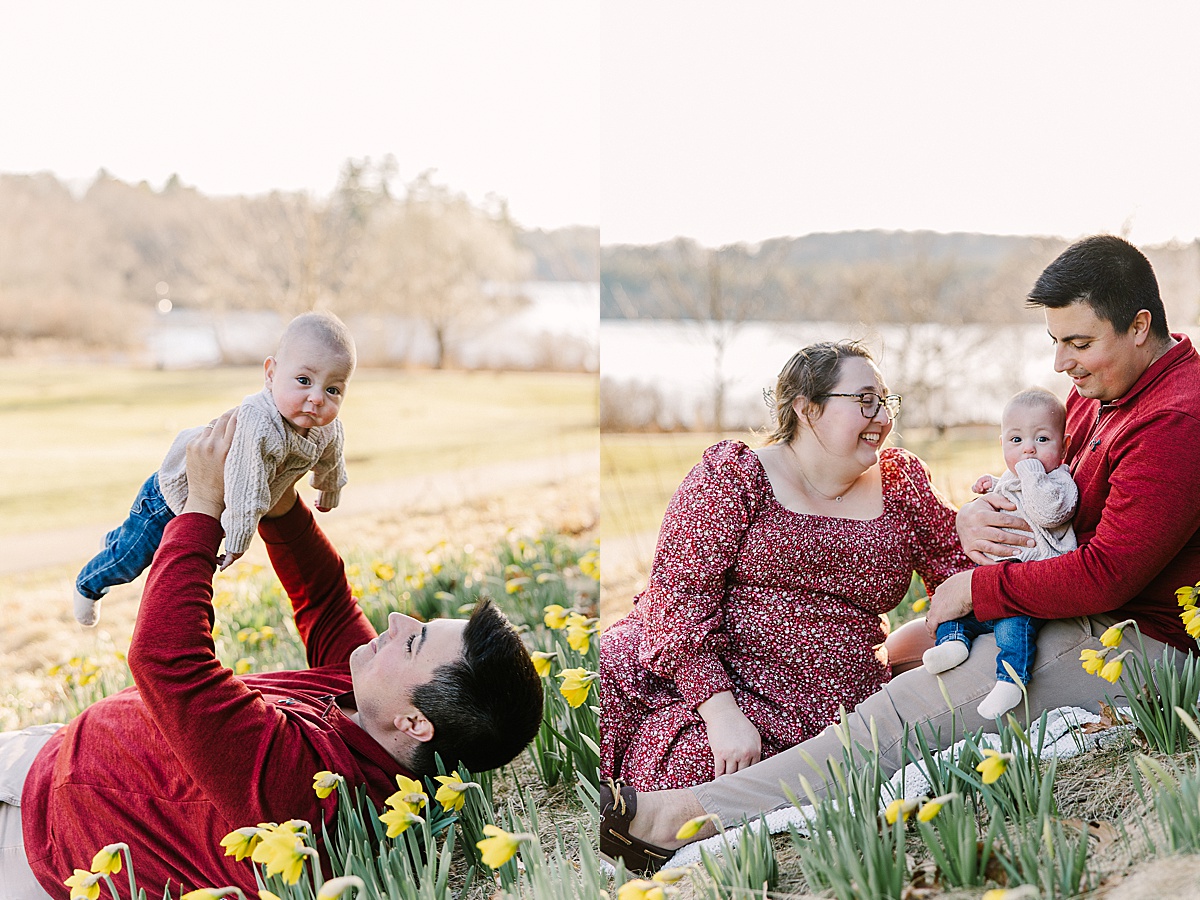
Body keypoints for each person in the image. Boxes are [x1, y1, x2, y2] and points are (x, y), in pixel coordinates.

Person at [599, 234, 1200, 876]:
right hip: (1072, 622)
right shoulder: (1102, 390)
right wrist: (984, 517)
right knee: (908, 703)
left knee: (909, 714)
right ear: (805, 411)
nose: (1061, 365)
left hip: (1141, 642)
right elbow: (1040, 498)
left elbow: (1106, 574)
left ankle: (681, 820)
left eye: (1077, 343)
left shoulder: (1177, 420)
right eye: (1055, 342)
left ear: (1140, 327)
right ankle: (692, 810)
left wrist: (977, 591)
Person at [6, 410, 544, 897]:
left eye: (414, 640)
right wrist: (281, 500)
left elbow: (168, 662)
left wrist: (203, 508)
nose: (399, 620)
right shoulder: (369, 705)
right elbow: (326, 599)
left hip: (34, 846)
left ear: (416, 722)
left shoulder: (312, 797)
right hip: (44, 757)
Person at [600, 341, 970, 794]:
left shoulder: (900, 481)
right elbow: (678, 602)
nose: (882, 417)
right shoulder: (734, 478)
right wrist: (721, 715)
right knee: (692, 781)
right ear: (807, 408)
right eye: (865, 401)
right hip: (716, 688)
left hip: (836, 705)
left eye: (885, 401)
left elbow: (958, 572)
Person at [73, 311, 355, 627]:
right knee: (131, 561)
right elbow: (246, 489)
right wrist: (237, 541)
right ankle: (87, 584)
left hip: (208, 508)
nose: (317, 398)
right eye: (304, 381)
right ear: (271, 374)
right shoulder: (258, 424)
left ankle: (118, 539)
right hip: (171, 498)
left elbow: (331, 455)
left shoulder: (325, 427)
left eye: (333, 389)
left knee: (138, 546)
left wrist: (329, 487)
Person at [922, 387, 1078, 719]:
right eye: (1016, 441)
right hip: (1003, 576)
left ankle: (1011, 679)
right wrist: (993, 484)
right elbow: (1012, 496)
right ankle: (953, 644)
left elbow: (1048, 512)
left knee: (1012, 626)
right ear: (1003, 444)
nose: (1029, 451)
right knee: (958, 616)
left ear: (1064, 446)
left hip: (1034, 582)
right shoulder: (1018, 476)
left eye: (1042, 440)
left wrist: (1031, 472)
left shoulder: (1060, 482)